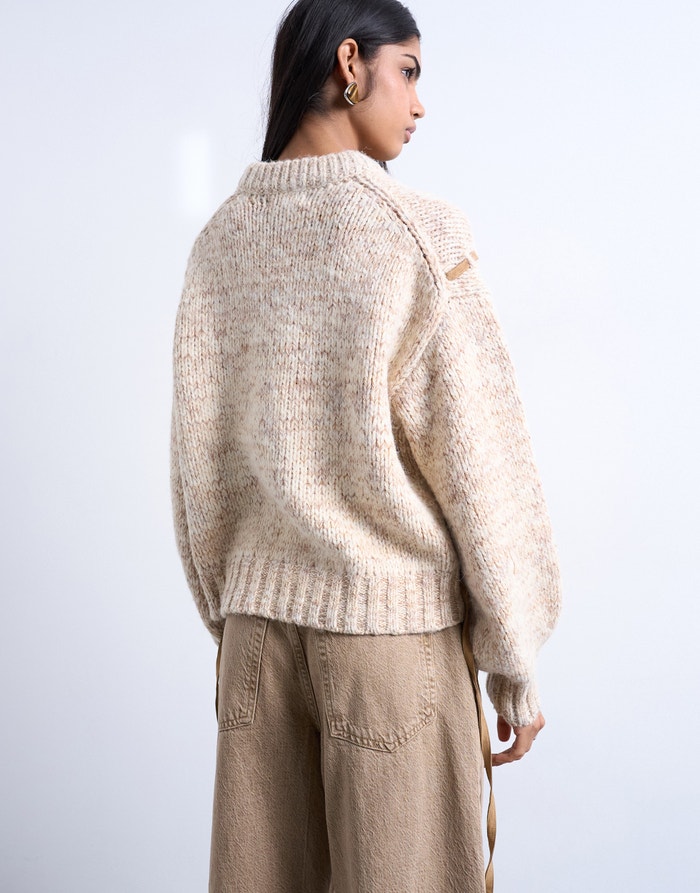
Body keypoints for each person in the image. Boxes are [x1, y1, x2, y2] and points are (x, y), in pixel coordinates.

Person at [169, 0, 562, 890]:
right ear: (351, 63)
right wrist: (514, 657)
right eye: (408, 72)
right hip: (390, 642)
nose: (420, 104)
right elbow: (478, 456)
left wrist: (238, 614)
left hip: (255, 648)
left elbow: (200, 471)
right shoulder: (414, 233)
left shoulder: (218, 244)